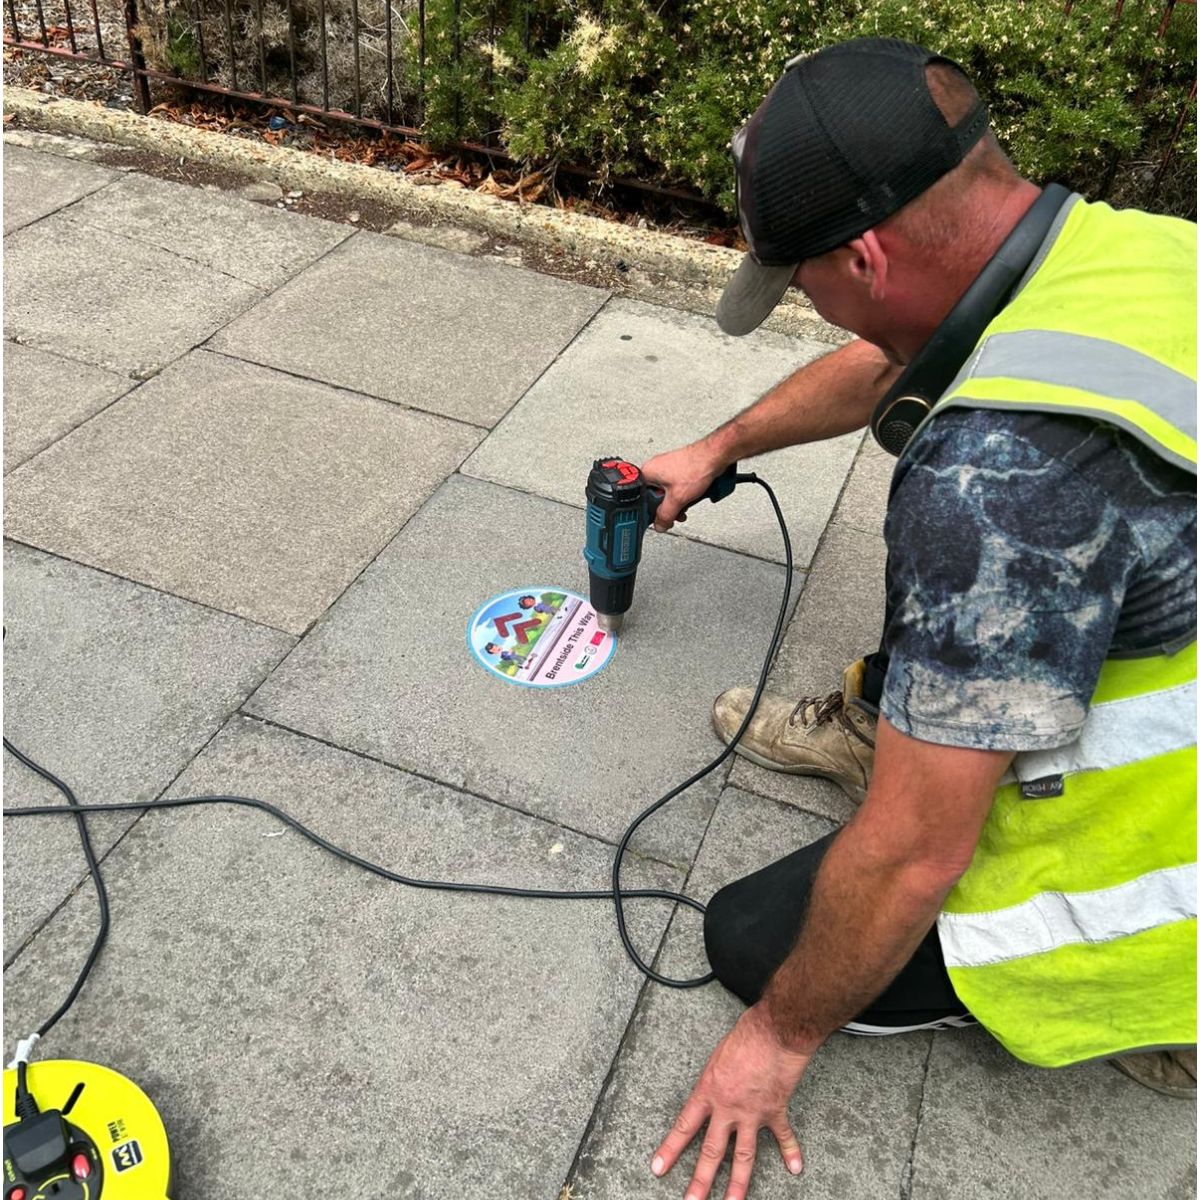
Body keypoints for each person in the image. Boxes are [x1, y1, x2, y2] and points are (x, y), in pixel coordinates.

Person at [640, 37, 1197, 1200]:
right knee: (973, 607)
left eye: (804, 282)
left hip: (1166, 857)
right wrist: (722, 444)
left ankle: (1155, 1008)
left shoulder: (994, 487)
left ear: (866, 253)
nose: (807, 305)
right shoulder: (1129, 253)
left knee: (753, 942)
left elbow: (910, 855)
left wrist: (779, 1041)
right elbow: (901, 355)